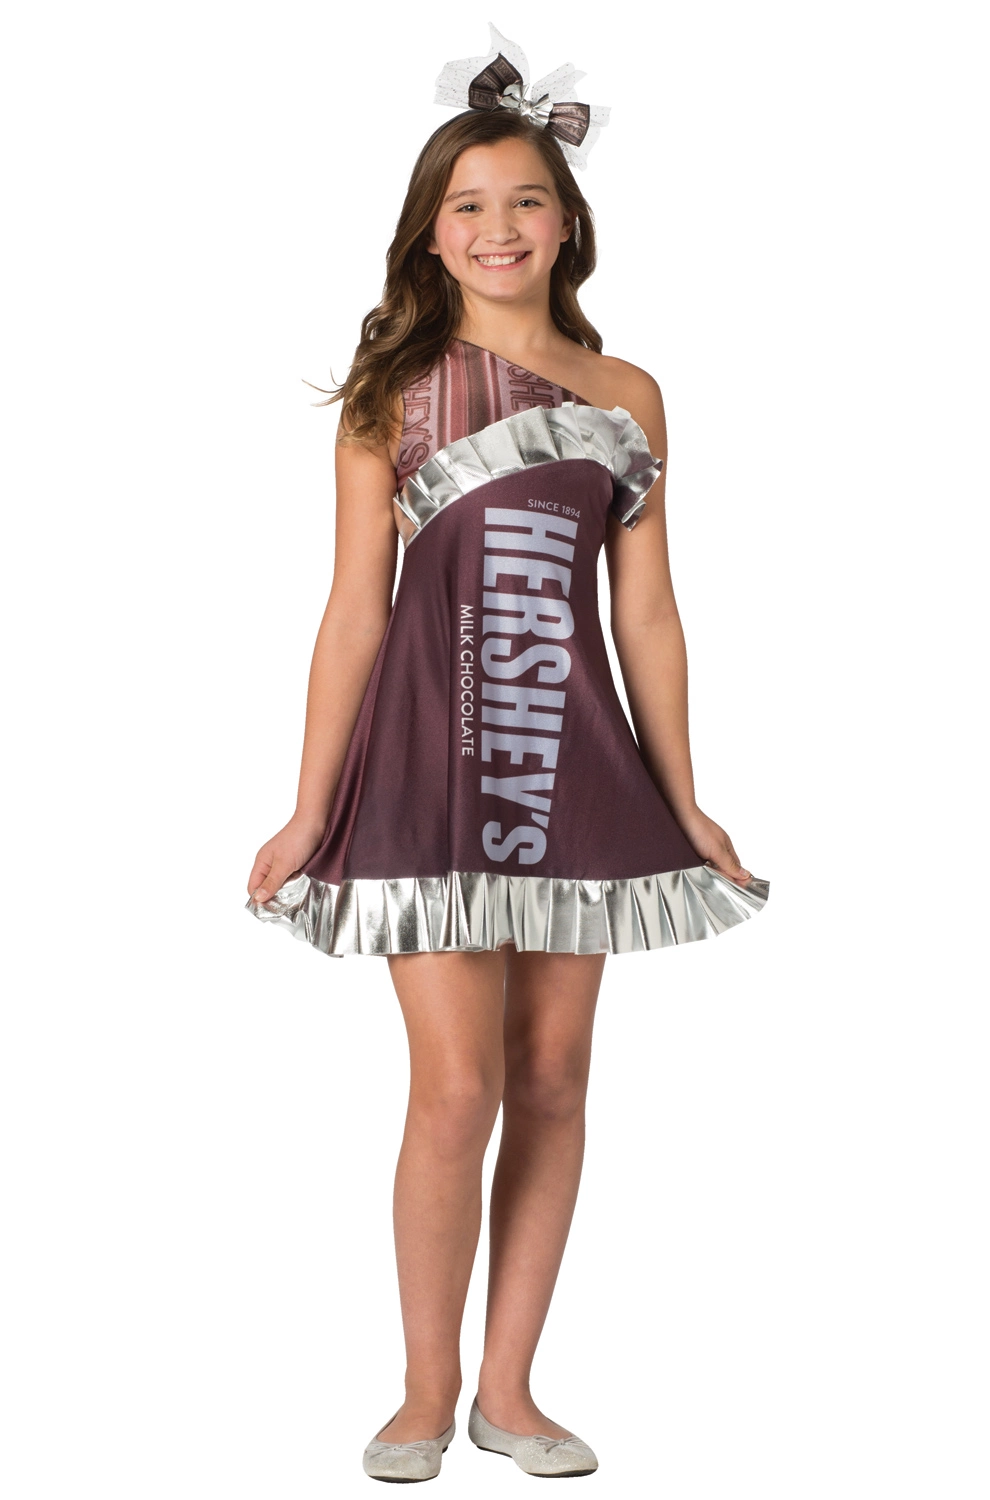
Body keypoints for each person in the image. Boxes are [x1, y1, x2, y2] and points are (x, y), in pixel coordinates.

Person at [246, 28, 768, 1484]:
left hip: (574, 769)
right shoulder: (395, 391)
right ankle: (422, 1391)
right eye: (467, 205)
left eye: (525, 199)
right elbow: (353, 611)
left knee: (550, 1078)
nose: (498, 228)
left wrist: (686, 802)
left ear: (567, 220)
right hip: (427, 765)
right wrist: (306, 808)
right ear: (430, 233)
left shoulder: (628, 394)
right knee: (456, 1086)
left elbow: (647, 612)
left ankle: (509, 1392)